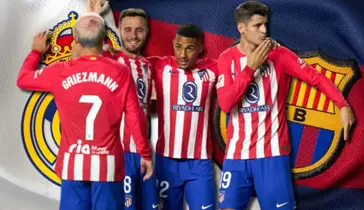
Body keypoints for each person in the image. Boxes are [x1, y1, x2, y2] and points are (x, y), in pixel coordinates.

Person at [216, 1, 355, 210]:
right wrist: (250, 69)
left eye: (265, 24)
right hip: (236, 156)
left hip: (272, 157)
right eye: (257, 26)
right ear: (241, 28)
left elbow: (314, 77)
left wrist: (342, 104)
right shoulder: (227, 59)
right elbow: (226, 104)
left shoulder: (279, 55)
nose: (264, 30)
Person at [16, 12, 153, 210]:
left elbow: (23, 79)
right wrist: (145, 154)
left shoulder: (59, 71)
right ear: (104, 38)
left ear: (76, 39)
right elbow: (135, 117)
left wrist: (36, 52)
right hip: (107, 165)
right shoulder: (121, 72)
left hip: (73, 165)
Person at [86, 1, 159, 209]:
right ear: (119, 30)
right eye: (127, 29)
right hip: (117, 153)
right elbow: (81, 52)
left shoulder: (147, 66)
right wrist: (93, 16)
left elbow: (145, 109)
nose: (133, 35)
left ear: (146, 32)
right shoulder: (109, 57)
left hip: (143, 153)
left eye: (139, 30)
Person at [147, 23, 217, 210]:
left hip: (199, 162)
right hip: (166, 162)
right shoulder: (159, 65)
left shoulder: (213, 69)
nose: (183, 55)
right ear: (173, 45)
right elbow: (129, 58)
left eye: (189, 48)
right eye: (178, 47)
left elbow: (240, 61)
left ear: (201, 48)